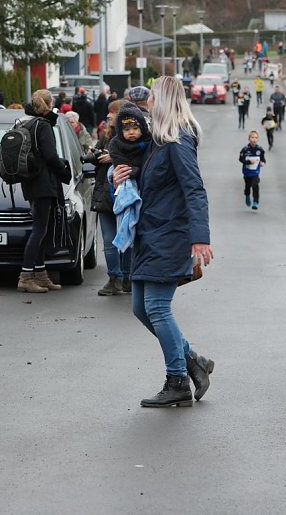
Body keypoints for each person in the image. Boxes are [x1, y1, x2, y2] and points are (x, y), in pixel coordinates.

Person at [112, 76, 214, 408]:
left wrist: (199, 237)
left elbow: (194, 189)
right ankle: (193, 360)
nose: (149, 103)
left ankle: (177, 381)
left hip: (169, 235)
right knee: (140, 308)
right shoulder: (157, 140)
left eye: (153, 98)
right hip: (148, 234)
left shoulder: (178, 141)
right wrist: (118, 177)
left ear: (165, 101)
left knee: (156, 307)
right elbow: (147, 181)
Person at [17, 89, 72, 293]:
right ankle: (25, 277)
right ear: (49, 105)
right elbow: (50, 156)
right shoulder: (43, 125)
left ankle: (40, 275)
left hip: (30, 182)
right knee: (39, 230)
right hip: (43, 184)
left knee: (40, 230)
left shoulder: (27, 123)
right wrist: (63, 171)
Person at [87, 99, 131, 296]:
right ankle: (114, 278)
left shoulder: (131, 136)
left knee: (126, 239)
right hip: (105, 194)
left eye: (112, 112)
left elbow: (139, 159)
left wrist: (114, 157)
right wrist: (93, 154)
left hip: (124, 194)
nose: (108, 116)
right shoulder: (105, 135)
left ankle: (127, 277)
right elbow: (95, 157)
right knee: (109, 240)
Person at [108, 103, 152, 254]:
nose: (131, 132)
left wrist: (137, 169)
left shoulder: (148, 142)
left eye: (135, 128)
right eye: (127, 130)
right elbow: (119, 163)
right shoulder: (116, 144)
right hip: (126, 179)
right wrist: (130, 171)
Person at [239, 130, 266, 210]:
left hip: (255, 172)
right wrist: (249, 162)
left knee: (255, 185)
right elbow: (241, 159)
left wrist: (262, 163)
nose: (254, 139)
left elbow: (263, 159)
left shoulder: (260, 150)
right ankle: (247, 195)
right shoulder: (245, 149)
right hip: (247, 172)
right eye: (252, 137)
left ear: (258, 139)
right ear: (249, 138)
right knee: (248, 186)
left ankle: (255, 202)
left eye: (256, 138)